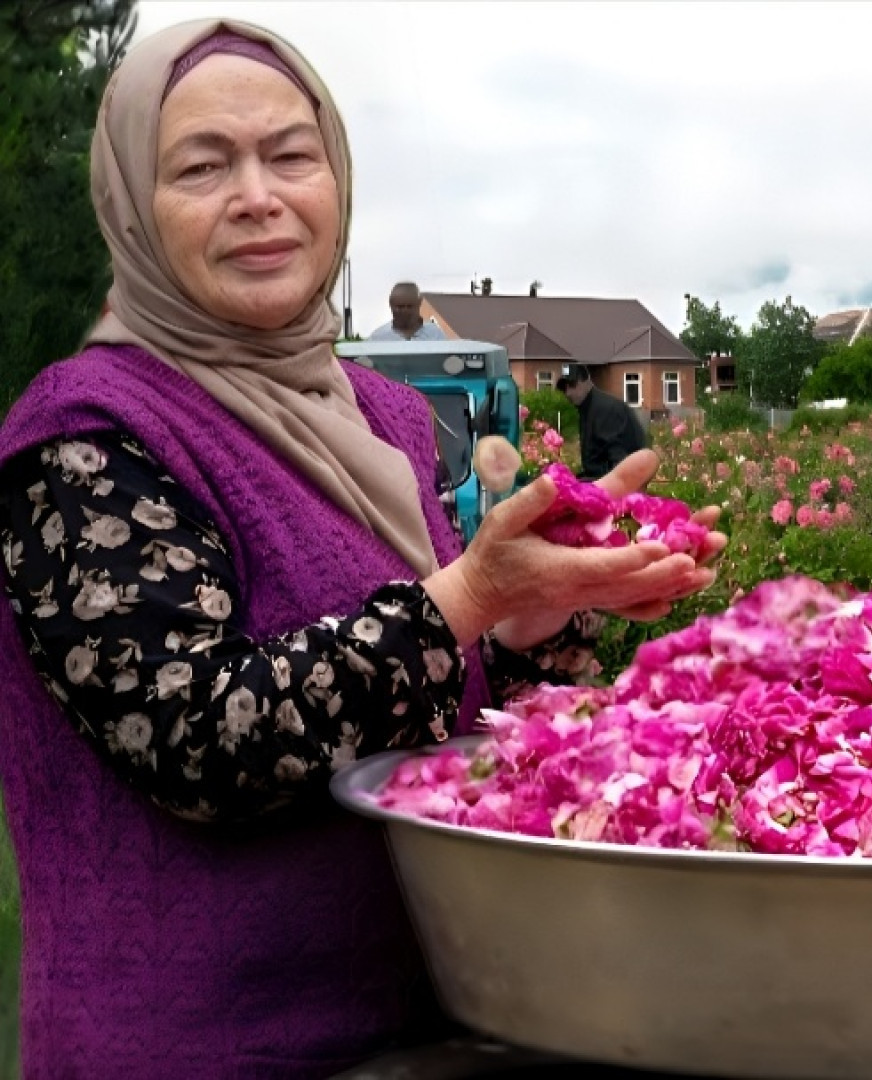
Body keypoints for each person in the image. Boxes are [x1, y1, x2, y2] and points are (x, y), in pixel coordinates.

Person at [0, 20, 723, 1077]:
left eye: (293, 154)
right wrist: (468, 595)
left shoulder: (378, 418)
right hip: (199, 1048)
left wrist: (527, 624)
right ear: (130, 209)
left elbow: (429, 710)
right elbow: (197, 741)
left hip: (437, 1020)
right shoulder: (85, 438)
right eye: (203, 165)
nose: (259, 195)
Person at [558, 364, 650, 480]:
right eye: (564, 388)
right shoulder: (589, 407)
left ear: (586, 381)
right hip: (603, 479)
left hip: (616, 484)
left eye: (572, 385)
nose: (568, 393)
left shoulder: (605, 409)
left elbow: (619, 464)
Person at [367, 280, 447, 340]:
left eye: (409, 306)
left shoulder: (435, 335)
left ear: (419, 303)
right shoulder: (378, 338)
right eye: (400, 307)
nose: (405, 311)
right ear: (391, 305)